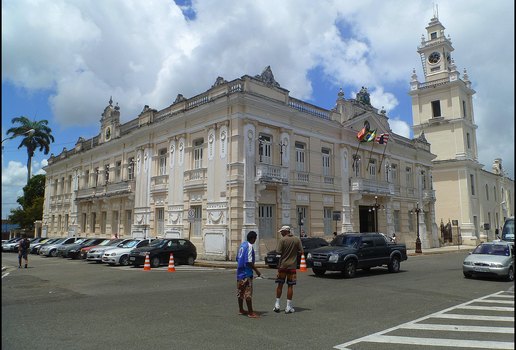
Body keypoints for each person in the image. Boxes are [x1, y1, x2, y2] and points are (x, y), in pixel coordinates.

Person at [273, 225, 303, 314]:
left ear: (286, 231)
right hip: (292, 266)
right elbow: (301, 251)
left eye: (282, 231)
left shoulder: (282, 240)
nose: (281, 233)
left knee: (280, 285)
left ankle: (277, 305)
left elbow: (278, 252)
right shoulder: (297, 239)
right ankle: (288, 306)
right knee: (290, 286)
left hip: (282, 266)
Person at [236, 230, 261, 318]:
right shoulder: (250, 246)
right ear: (253, 239)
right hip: (247, 273)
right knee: (248, 293)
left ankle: (241, 309)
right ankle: (250, 312)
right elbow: (249, 261)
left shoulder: (242, 245)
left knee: (240, 292)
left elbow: (237, 258)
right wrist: (257, 271)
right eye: (255, 238)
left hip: (239, 273)